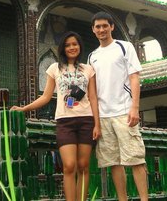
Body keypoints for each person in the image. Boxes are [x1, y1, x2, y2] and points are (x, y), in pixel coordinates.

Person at [11, 31, 100, 201]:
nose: (72, 47)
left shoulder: (88, 69)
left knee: (83, 166)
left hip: (86, 121)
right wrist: (24, 109)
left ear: (79, 46)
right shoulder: (54, 68)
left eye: (75, 44)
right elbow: (46, 97)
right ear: (62, 48)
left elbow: (93, 97)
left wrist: (97, 124)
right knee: (68, 166)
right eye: (67, 45)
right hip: (64, 122)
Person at [88, 11, 148, 201]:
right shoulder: (92, 56)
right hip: (104, 116)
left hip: (124, 112)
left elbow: (134, 77)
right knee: (114, 162)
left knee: (136, 159)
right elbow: (92, 92)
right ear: (93, 30)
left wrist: (135, 108)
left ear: (112, 27)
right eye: (98, 26)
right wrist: (96, 121)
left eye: (105, 25)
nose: (102, 29)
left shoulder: (124, 47)